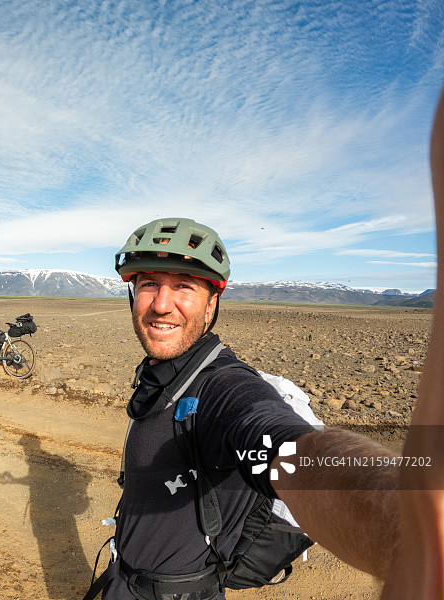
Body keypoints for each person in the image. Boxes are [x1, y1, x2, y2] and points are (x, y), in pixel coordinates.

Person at [98, 88, 444, 600]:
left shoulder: (222, 390)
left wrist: (414, 538)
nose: (162, 304)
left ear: (212, 303)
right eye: (149, 283)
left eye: (184, 288)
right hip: (125, 581)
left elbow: (282, 444)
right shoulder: (162, 373)